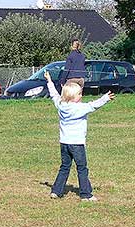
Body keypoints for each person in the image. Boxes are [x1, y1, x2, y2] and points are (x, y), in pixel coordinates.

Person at [44, 70, 115, 201]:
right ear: (72, 96)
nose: (81, 95)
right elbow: (94, 105)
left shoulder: (60, 105)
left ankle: (56, 191)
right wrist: (105, 98)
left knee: (65, 167)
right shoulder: (80, 108)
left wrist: (49, 81)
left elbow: (54, 94)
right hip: (77, 144)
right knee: (82, 168)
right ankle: (86, 194)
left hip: (64, 143)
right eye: (79, 94)